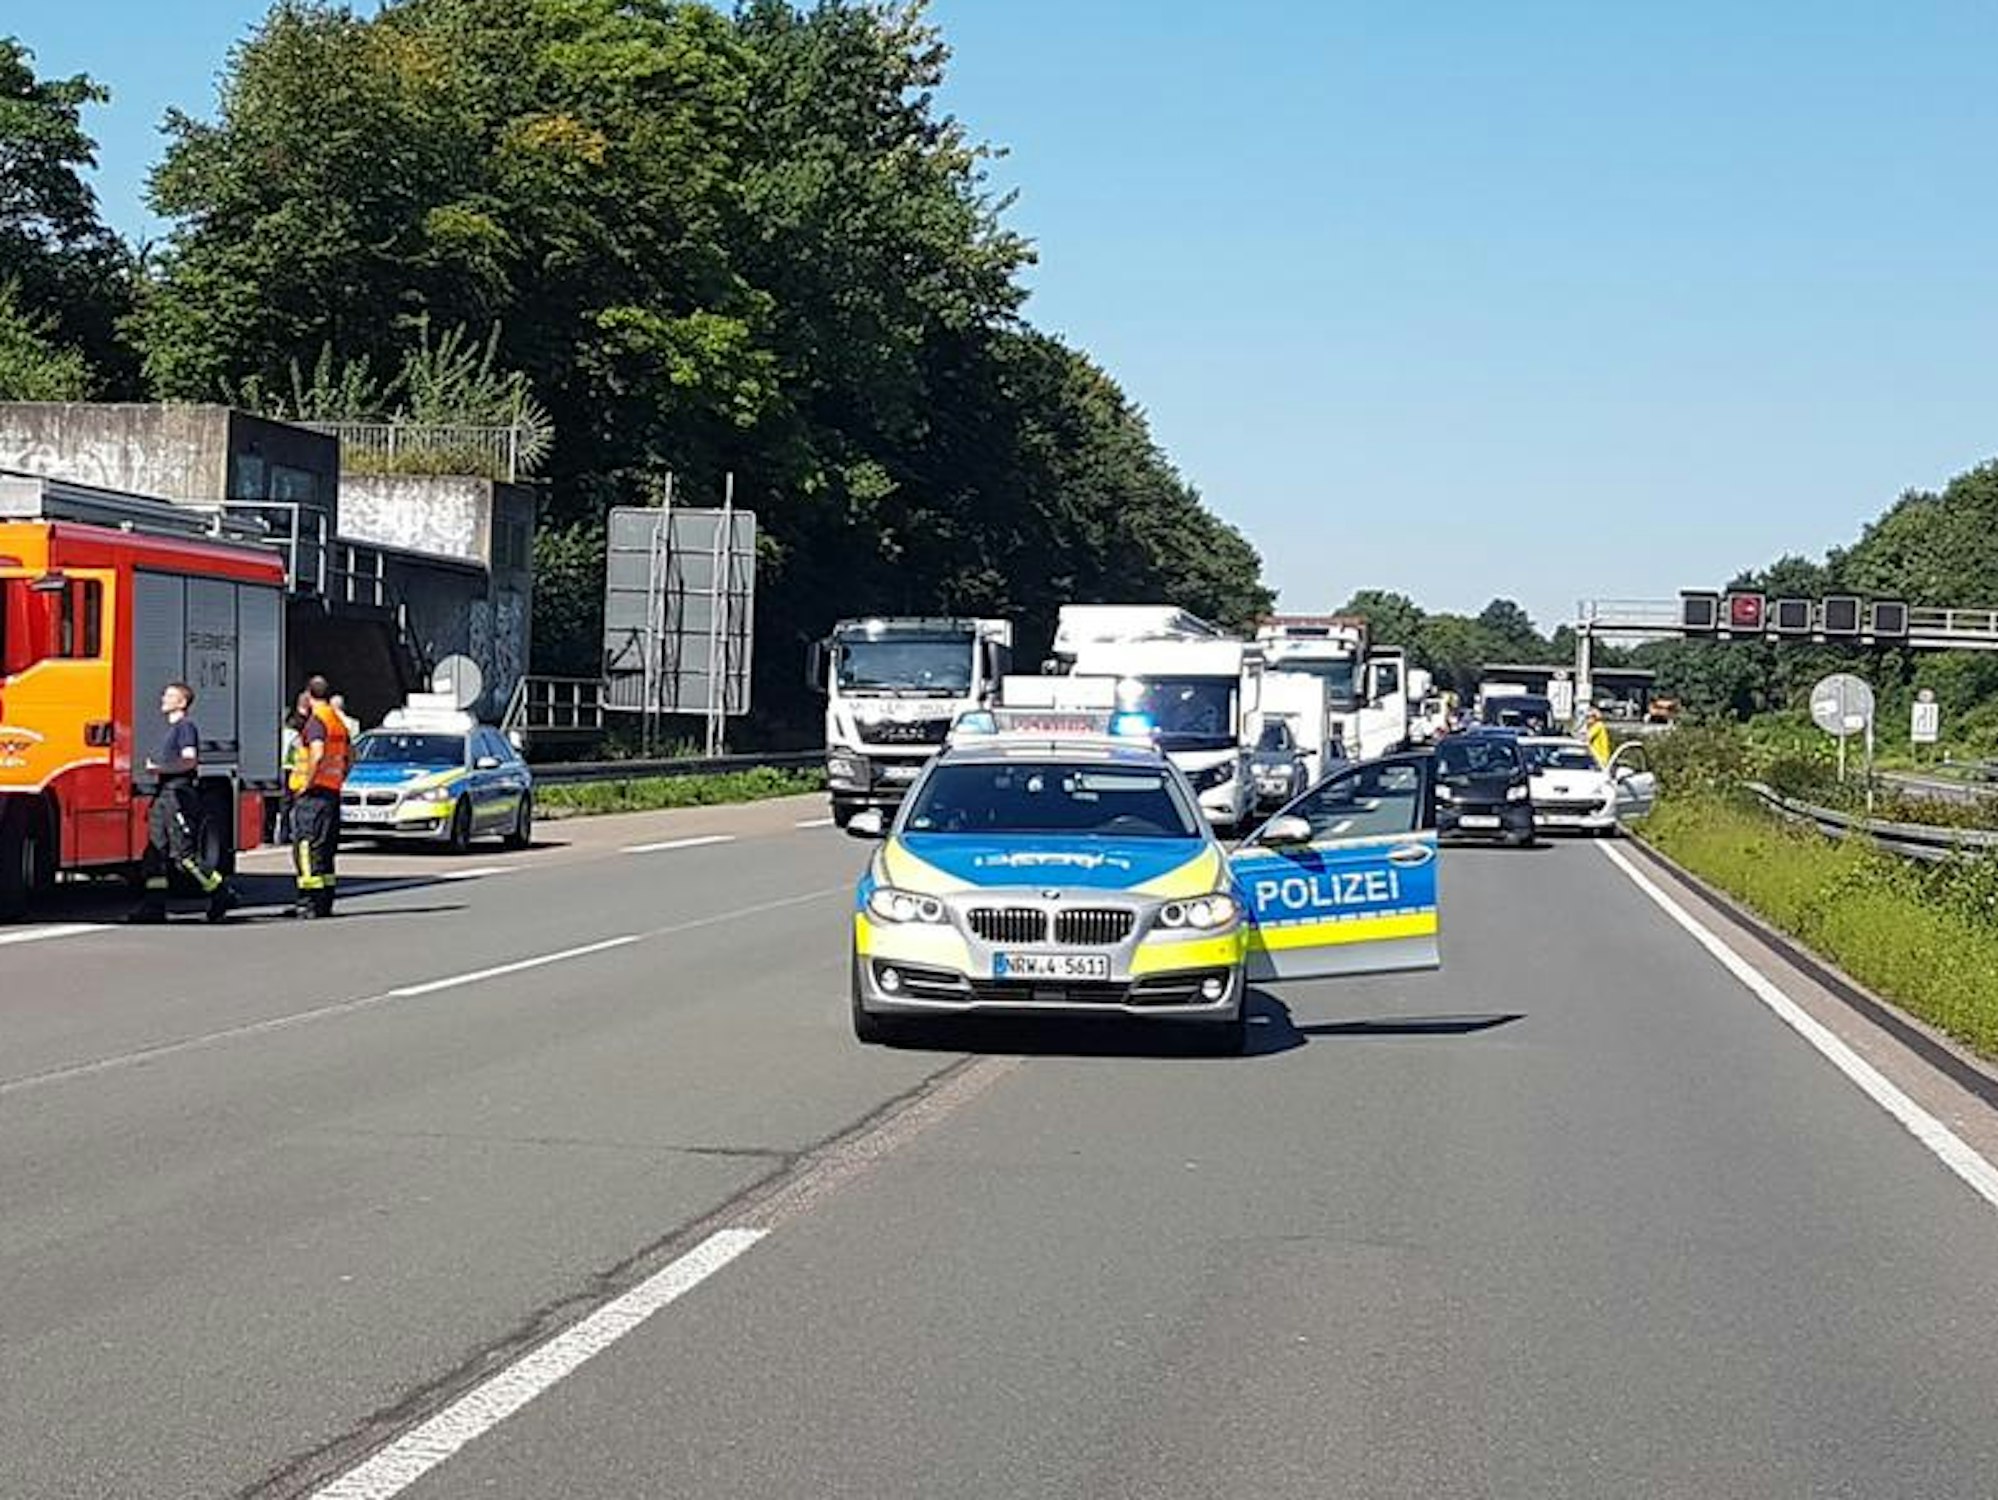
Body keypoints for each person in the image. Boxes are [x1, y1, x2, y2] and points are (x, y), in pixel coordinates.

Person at [128, 681, 238, 924]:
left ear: (182, 702)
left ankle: (220, 891)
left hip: (178, 795)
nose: (163, 699)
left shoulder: (185, 728)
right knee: (155, 853)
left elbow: (189, 761)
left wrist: (160, 768)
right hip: (163, 795)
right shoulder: (170, 730)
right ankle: (153, 905)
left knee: (184, 855)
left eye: (169, 696)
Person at [290, 675, 352, 918]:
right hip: (331, 791)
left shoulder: (317, 721)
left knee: (306, 847)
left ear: (308, 694)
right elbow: (351, 753)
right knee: (325, 849)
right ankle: (324, 902)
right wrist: (339, 777)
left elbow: (317, 754)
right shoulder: (337, 719)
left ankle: (308, 902)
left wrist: (308, 782)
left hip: (313, 794)